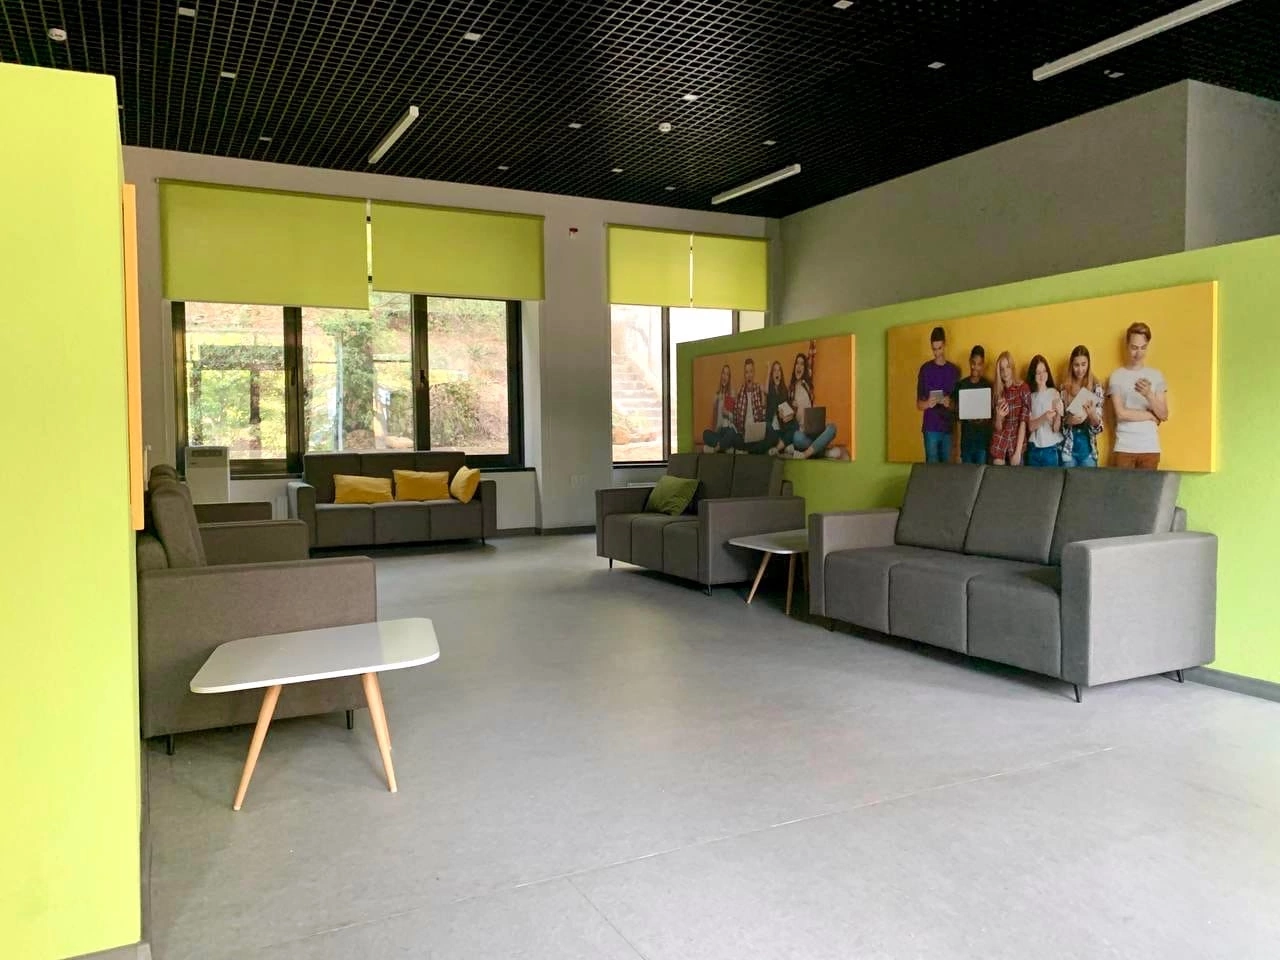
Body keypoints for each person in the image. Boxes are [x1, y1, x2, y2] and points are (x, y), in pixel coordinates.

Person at [1108, 321, 1168, 469]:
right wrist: (1150, 416)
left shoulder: (1156, 375)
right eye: (1134, 348)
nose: (1138, 353)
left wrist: (1149, 394)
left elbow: (1163, 414)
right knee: (1123, 485)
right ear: (1127, 346)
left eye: (1143, 348)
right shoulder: (1117, 376)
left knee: (1149, 486)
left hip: (1150, 447)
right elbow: (1120, 414)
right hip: (1124, 446)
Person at [778, 341, 838, 458]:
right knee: (797, 437)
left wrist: (822, 421)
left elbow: (812, 406)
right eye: (797, 363)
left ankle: (806, 453)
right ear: (794, 367)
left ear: (805, 368)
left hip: (814, 429)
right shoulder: (790, 390)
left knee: (832, 427)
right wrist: (786, 412)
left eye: (802, 364)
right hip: (802, 433)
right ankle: (821, 450)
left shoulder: (807, 386)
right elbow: (787, 417)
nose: (799, 366)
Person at [917, 326, 960, 462]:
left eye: (939, 348)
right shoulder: (925, 369)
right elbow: (919, 404)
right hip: (931, 428)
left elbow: (958, 407)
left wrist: (949, 403)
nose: (937, 353)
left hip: (948, 428)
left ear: (945, 345)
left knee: (946, 469)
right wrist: (928, 403)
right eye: (934, 349)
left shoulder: (953, 371)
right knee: (931, 468)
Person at [1059, 345, 1105, 468]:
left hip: (1088, 449)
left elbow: (1099, 428)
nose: (1080, 369)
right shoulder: (1064, 388)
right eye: (1076, 365)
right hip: (1068, 449)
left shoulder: (1096, 388)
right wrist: (1069, 421)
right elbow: (1059, 425)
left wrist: (1092, 415)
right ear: (1071, 366)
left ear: (1088, 364)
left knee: (1089, 481)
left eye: (1083, 364)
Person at [953, 345, 993, 464]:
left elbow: (991, 414)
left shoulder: (987, 385)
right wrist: (957, 448)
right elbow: (957, 418)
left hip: (982, 442)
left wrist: (982, 419)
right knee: (967, 474)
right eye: (973, 363)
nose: (975, 367)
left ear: (983, 365)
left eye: (979, 364)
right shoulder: (962, 385)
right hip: (966, 441)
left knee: (981, 472)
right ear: (970, 362)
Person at [988, 350, 1029, 466]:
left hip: (1016, 442)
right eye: (1001, 369)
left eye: (1008, 367)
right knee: (998, 474)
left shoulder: (1023, 388)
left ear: (1012, 368)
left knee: (1016, 474)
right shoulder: (997, 392)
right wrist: (999, 417)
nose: (1005, 372)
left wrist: (1018, 452)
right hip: (1000, 442)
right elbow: (998, 428)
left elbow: (1023, 422)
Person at [1024, 354, 1063, 467]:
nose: (1042, 376)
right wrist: (1044, 417)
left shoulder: (1054, 393)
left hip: (1051, 448)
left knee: (1052, 478)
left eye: (1044, 371)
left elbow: (1056, 428)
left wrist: (1058, 414)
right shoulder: (1029, 397)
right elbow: (1031, 427)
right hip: (1034, 448)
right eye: (1038, 372)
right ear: (1033, 375)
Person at [701, 363, 740, 452]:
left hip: (729, 429)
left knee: (732, 433)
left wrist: (727, 413)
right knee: (705, 434)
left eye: (727, 374)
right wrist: (715, 403)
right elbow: (716, 421)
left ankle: (716, 449)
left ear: (729, 378)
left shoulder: (732, 394)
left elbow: (736, 418)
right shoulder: (717, 395)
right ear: (721, 375)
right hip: (719, 432)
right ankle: (725, 447)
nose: (725, 376)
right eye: (723, 373)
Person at [731, 358, 767, 452]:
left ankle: (747, 451)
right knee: (734, 438)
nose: (749, 375)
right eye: (747, 372)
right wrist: (735, 398)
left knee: (769, 433)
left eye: (751, 371)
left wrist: (762, 394)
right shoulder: (740, 391)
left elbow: (763, 415)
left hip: (756, 434)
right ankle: (750, 450)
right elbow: (735, 417)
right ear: (744, 375)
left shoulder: (758, 388)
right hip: (743, 435)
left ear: (754, 373)